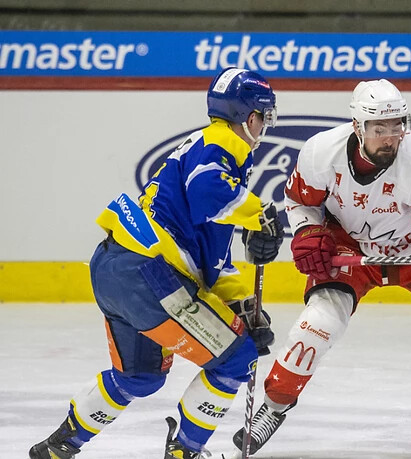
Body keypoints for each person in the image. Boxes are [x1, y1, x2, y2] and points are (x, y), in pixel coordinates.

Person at [231, 79, 411, 454]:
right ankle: (274, 407)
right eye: (379, 128)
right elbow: (300, 201)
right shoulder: (322, 152)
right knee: (318, 325)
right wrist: (307, 230)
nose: (390, 137)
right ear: (358, 127)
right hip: (350, 250)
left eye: (397, 126)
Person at [29, 67, 284, 459]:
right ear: (249, 117)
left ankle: (61, 444)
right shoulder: (222, 144)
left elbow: (208, 257)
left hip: (115, 266)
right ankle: (185, 451)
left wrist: (241, 304)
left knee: (140, 377)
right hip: (152, 277)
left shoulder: (203, 150)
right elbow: (208, 194)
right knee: (238, 360)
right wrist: (260, 213)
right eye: (264, 117)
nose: (264, 127)